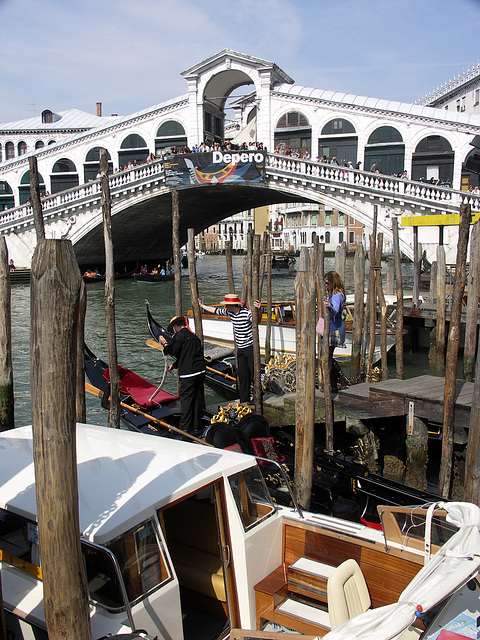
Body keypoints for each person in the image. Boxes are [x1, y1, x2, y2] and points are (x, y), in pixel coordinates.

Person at [199, 293, 261, 403]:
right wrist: (202, 306)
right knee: (242, 374)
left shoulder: (246, 313)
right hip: (241, 349)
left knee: (253, 374)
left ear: (233, 305)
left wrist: (259, 309)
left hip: (250, 348)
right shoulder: (230, 313)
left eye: (227, 305)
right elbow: (215, 311)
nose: (226, 307)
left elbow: (257, 320)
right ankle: (244, 399)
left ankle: (257, 398)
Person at [159, 315, 206, 435]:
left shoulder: (180, 335)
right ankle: (196, 426)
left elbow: (173, 351)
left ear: (176, 326)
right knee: (197, 399)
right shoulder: (194, 337)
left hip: (189, 374)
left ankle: (184, 428)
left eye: (173, 329)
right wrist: (174, 366)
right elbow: (186, 355)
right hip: (200, 372)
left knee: (186, 400)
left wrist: (164, 344)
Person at [323, 271, 346, 393]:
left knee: (328, 357)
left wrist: (328, 306)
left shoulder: (336, 295)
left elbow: (336, 310)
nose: (326, 286)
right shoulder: (335, 294)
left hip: (333, 329)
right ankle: (341, 379)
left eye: (327, 283)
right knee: (328, 356)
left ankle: (333, 385)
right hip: (332, 327)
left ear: (333, 282)